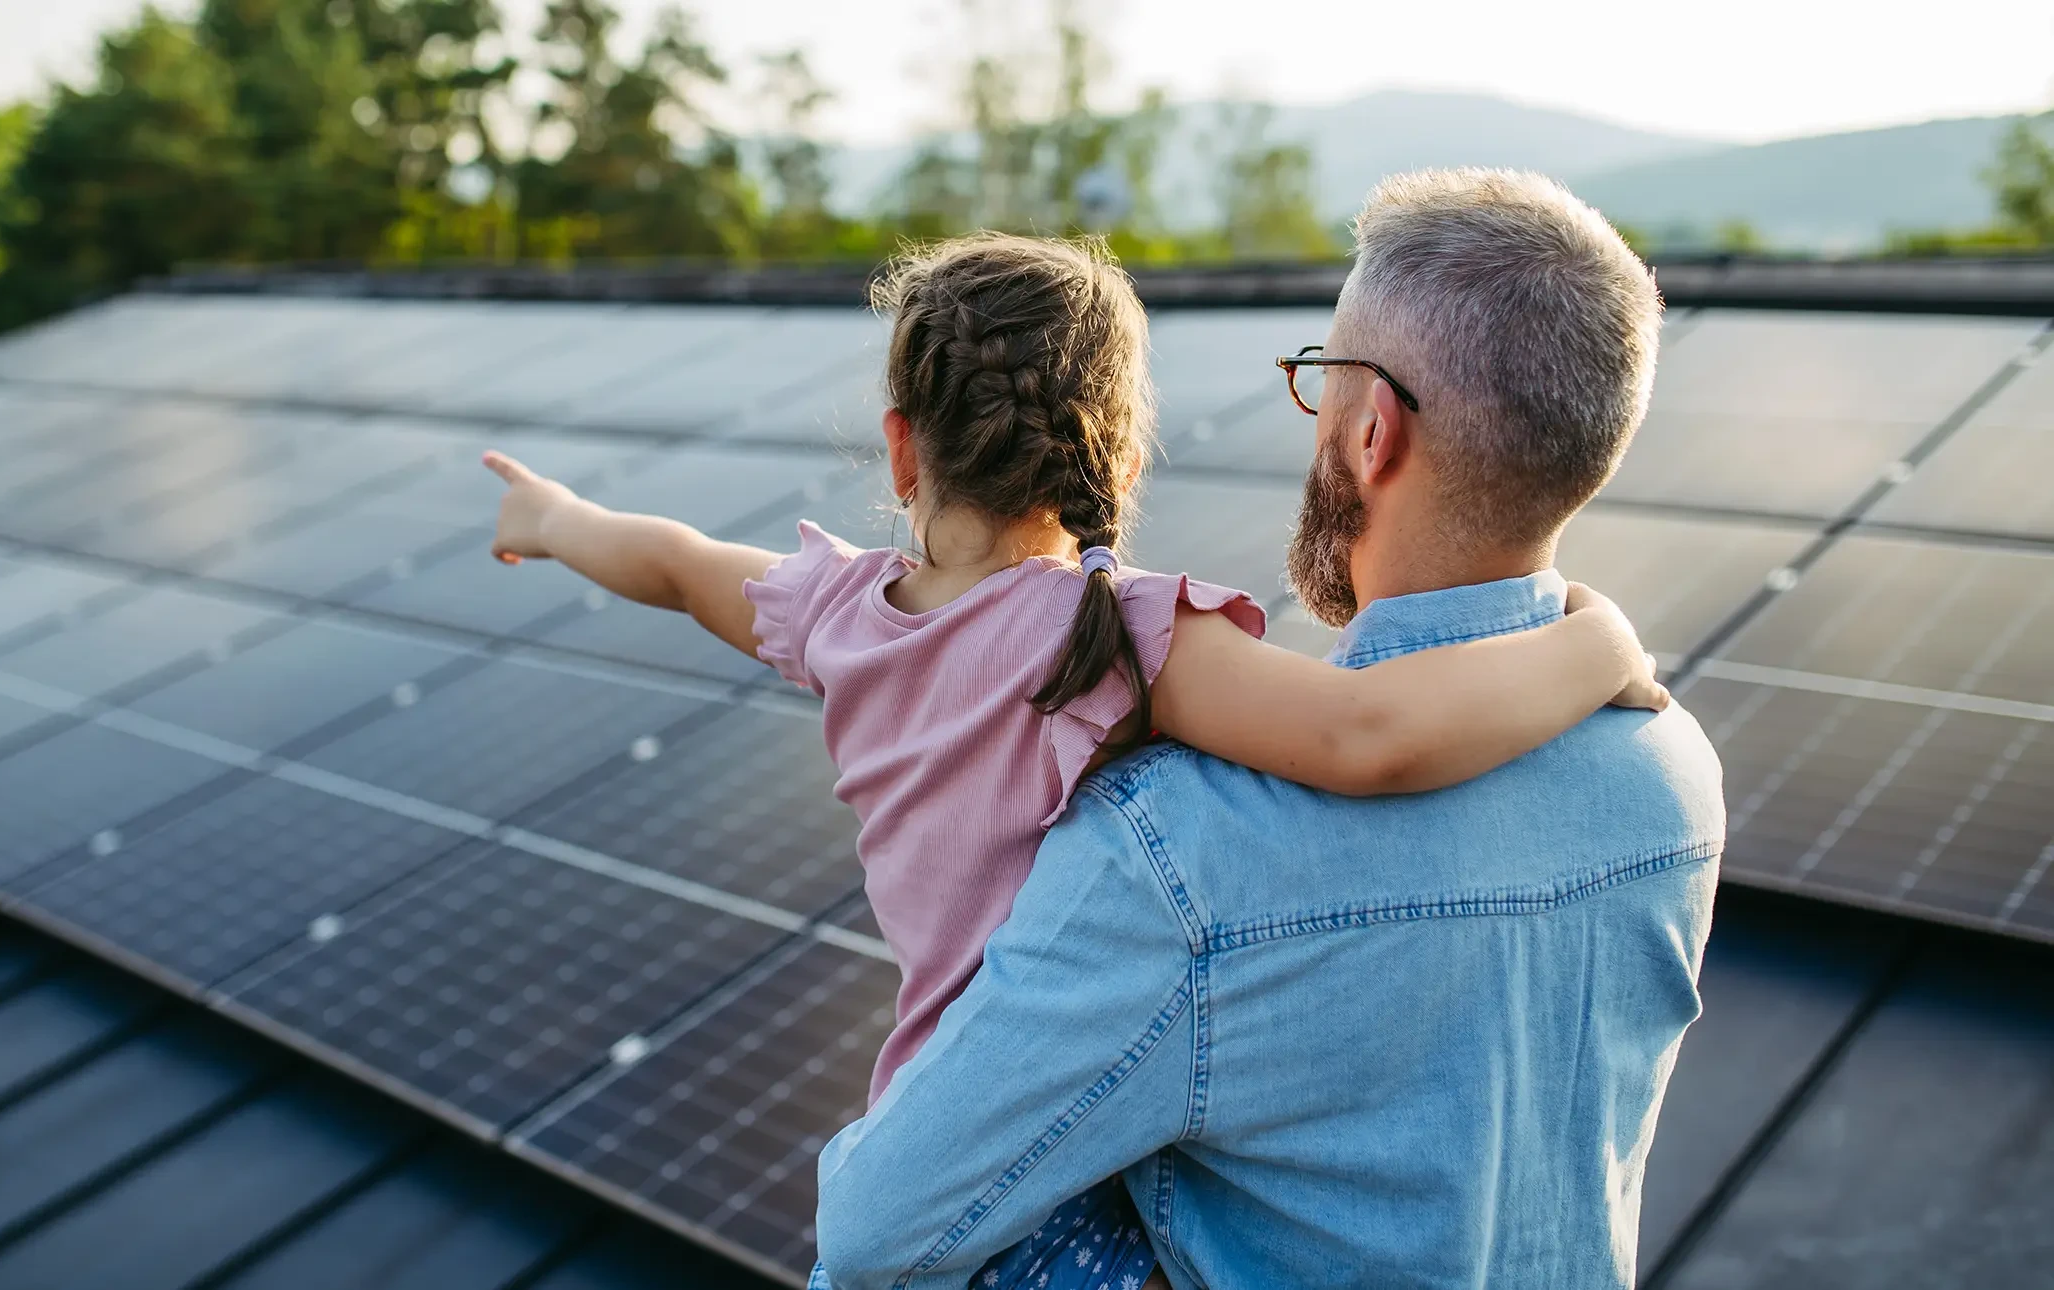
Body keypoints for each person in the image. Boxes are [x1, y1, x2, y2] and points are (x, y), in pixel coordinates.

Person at [481, 230, 1668, 1290]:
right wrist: (1596, 642)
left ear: (902, 452)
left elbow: (678, 563)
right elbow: (1370, 736)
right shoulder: (1111, 640)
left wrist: (554, 519)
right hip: (1048, 1200)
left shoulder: (836, 613)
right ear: (1116, 453)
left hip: (949, 1126)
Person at [809, 173, 1726, 1290]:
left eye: (1318, 382)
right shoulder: (1673, 779)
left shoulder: (1177, 851)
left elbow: (872, 1233)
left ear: (1372, 430)